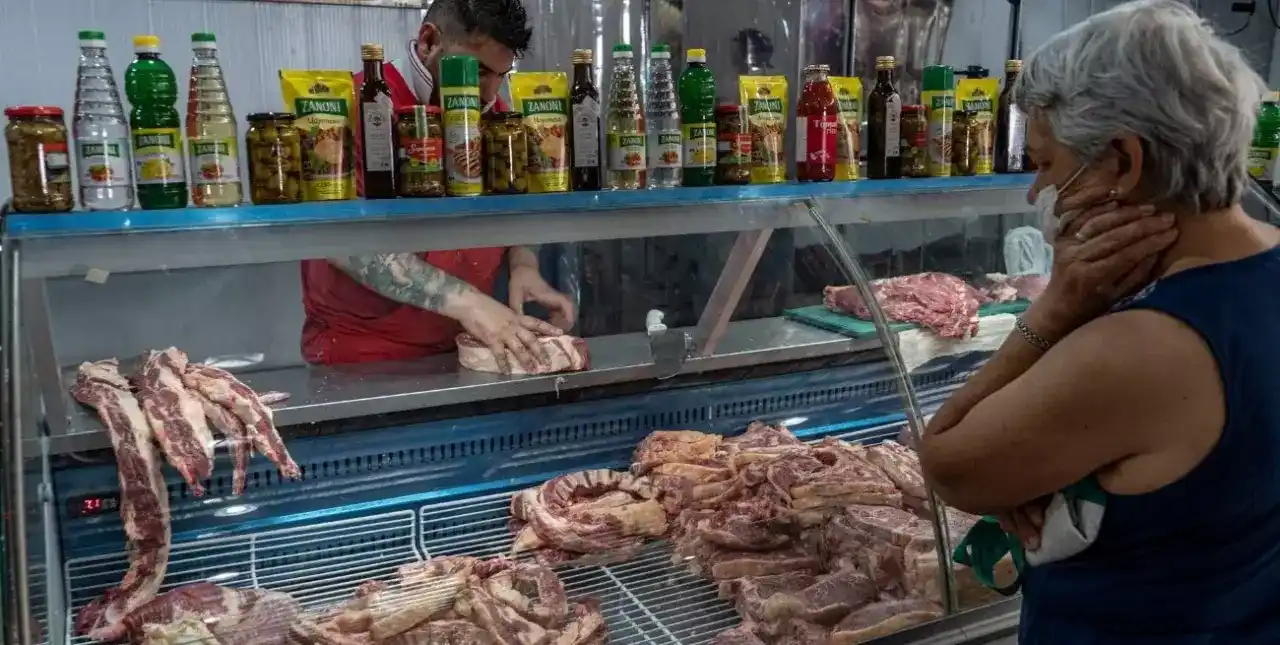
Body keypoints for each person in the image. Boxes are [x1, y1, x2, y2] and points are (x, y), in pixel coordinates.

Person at [916, 1, 1280, 642]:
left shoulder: (1145, 348)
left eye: (1048, 164)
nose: (1037, 194)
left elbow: (948, 463)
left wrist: (1054, 308)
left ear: (1124, 161)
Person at [301, 0, 574, 371]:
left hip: (468, 349)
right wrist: (469, 302)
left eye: (500, 75)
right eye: (477, 70)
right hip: (363, 358)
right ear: (429, 41)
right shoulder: (352, 107)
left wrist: (524, 262)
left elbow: (511, 196)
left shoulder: (492, 110)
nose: (490, 92)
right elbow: (337, 238)